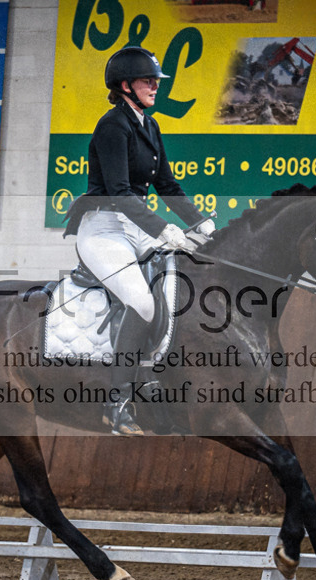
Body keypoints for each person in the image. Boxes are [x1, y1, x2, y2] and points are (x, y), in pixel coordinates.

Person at [63, 46, 215, 436]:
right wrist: (163, 229)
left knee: (175, 289)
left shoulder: (150, 125)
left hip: (135, 227)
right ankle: (116, 404)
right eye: (148, 81)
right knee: (142, 301)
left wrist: (201, 224)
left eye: (155, 81)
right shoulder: (112, 126)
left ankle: (150, 377)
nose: (155, 87)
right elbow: (118, 191)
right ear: (126, 85)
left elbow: (167, 185)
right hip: (103, 228)